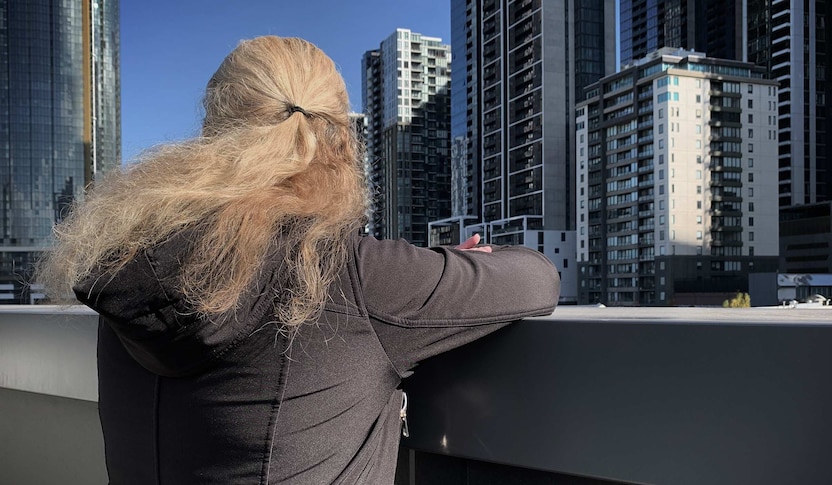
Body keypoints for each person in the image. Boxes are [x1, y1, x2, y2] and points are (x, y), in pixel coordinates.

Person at [36, 36, 560, 484]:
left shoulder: (133, 271)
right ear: (339, 141)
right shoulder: (355, 274)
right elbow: (538, 279)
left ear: (213, 136)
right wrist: (448, 263)